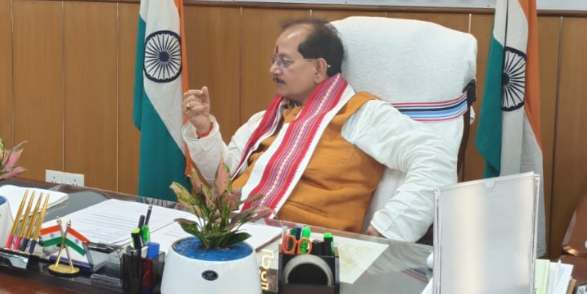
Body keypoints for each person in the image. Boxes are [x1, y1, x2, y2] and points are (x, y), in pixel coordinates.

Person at [180, 18, 455, 242]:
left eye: (285, 61)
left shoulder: (361, 114)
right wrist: (204, 129)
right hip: (233, 237)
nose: (273, 70)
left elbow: (436, 159)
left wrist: (387, 231)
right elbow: (226, 180)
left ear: (319, 68)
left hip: (306, 255)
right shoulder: (266, 120)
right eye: (273, 60)